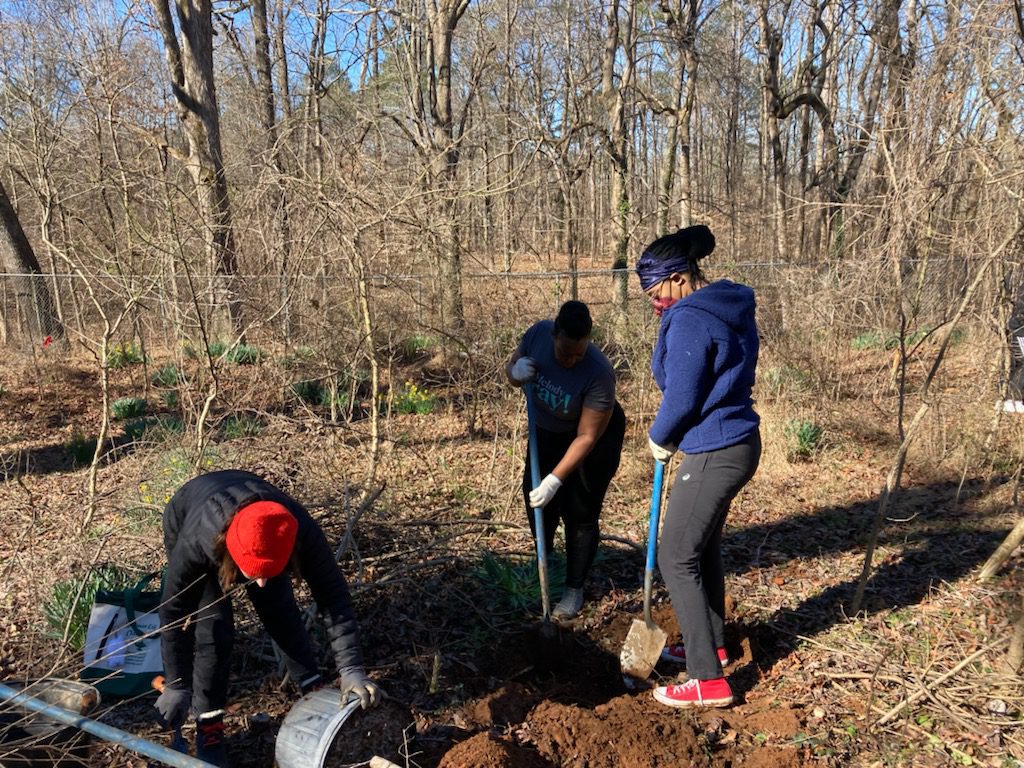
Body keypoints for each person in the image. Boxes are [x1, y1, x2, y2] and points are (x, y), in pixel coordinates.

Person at [154, 469, 382, 765]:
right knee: (214, 630)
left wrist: (351, 667)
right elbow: (173, 611)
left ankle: (311, 696)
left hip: (257, 527)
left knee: (280, 610)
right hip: (190, 511)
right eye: (253, 574)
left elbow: (334, 598)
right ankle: (209, 728)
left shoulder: (295, 529)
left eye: (268, 572)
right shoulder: (197, 542)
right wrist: (176, 683)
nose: (258, 583)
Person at [635, 225, 761, 709]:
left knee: (675, 555)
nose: (653, 300)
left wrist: (658, 436)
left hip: (714, 449)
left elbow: (683, 394)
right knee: (701, 547)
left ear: (680, 277)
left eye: (655, 290)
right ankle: (713, 644)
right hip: (737, 440)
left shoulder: (690, 317)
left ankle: (706, 679)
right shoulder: (723, 305)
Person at [506, 300, 626, 619]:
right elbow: (514, 363)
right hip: (547, 431)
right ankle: (549, 568)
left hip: (594, 438)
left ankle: (573, 588)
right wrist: (515, 373)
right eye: (565, 353)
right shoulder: (538, 335)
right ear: (555, 335)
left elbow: (586, 437)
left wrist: (556, 479)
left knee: (580, 510)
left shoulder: (599, 373)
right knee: (536, 503)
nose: (572, 360)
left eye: (579, 353)